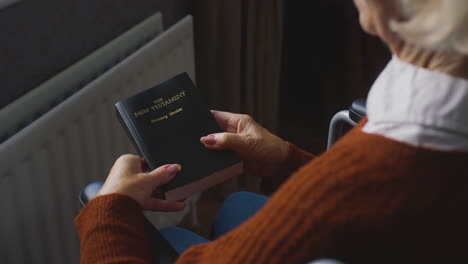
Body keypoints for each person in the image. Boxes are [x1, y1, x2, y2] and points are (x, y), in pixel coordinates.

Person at [75, 0, 468, 263]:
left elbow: (363, 198)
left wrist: (108, 210)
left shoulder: (370, 181)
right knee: (235, 206)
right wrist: (288, 162)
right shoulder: (438, 81)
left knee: (173, 238)